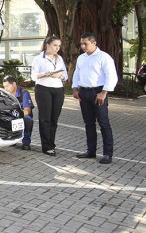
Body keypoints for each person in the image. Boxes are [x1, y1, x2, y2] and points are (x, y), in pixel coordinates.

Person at [72, 32, 118, 164]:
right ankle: (91, 151)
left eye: (85, 43)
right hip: (84, 93)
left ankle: (107, 154)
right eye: (81, 44)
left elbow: (111, 76)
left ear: (94, 43)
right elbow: (77, 73)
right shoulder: (81, 58)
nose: (83, 46)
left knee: (104, 124)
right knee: (88, 123)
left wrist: (104, 92)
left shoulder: (104, 57)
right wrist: (75, 89)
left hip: (98, 92)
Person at [30, 35, 68, 156]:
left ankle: (52, 143)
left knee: (54, 119)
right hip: (43, 89)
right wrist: (45, 74)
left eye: (59, 46)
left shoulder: (59, 59)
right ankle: (46, 146)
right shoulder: (38, 59)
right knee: (45, 118)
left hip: (58, 89)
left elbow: (65, 75)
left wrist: (60, 76)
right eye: (55, 45)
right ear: (47, 45)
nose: (57, 48)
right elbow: (33, 76)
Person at [2, 75, 34, 150]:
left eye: (7, 86)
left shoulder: (24, 93)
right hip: (10, 116)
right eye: (4, 87)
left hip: (21, 117)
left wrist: (16, 116)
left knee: (28, 120)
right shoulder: (5, 94)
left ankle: (26, 143)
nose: (5, 89)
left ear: (14, 84)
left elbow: (27, 111)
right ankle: (10, 140)